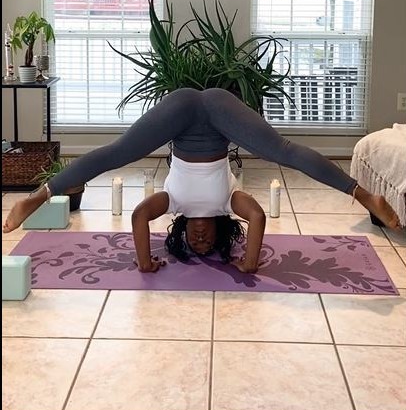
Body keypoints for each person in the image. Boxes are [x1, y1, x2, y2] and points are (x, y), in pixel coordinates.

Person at [3, 88, 402, 274]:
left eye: (193, 243)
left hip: (180, 111)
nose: (199, 239)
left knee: (118, 152)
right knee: (282, 150)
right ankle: (365, 195)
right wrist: (249, 263)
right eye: (207, 243)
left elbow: (139, 217)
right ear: (220, 233)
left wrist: (144, 262)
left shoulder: (173, 202)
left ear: (180, 232)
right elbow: (258, 217)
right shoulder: (228, 203)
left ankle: (35, 198)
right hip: (219, 110)